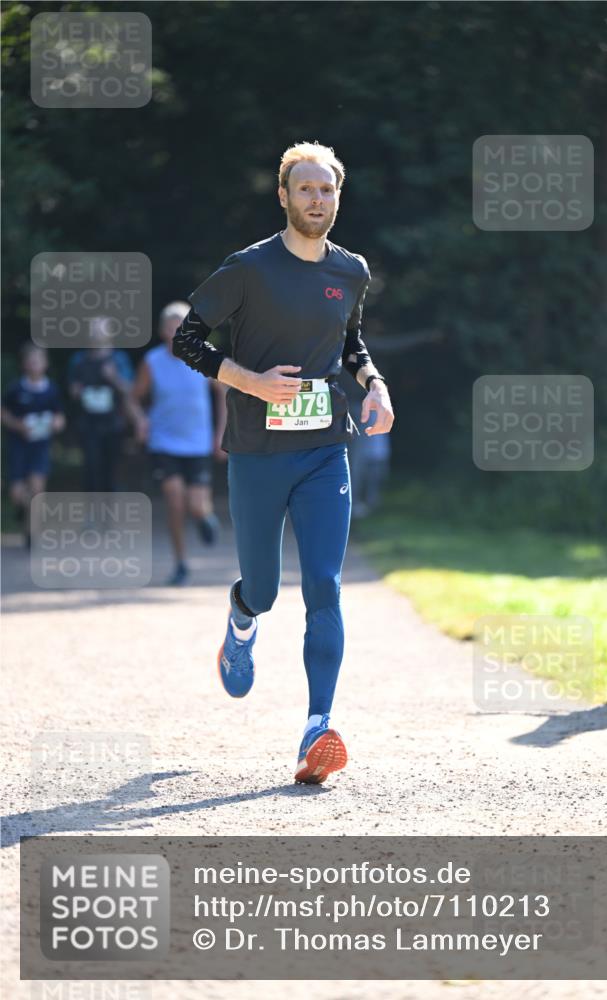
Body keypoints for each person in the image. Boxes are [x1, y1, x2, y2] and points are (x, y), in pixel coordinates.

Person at [172, 141, 394, 784]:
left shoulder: (350, 270)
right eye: (305, 189)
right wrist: (249, 380)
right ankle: (241, 620)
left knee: (325, 585)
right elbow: (189, 339)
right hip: (258, 453)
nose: (317, 200)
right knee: (265, 590)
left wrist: (373, 381)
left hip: (327, 448)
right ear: (284, 196)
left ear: (337, 197)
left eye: (326, 190)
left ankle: (316, 728)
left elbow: (350, 342)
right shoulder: (248, 269)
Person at [129, 301, 227, 586]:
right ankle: (180, 562)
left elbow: (223, 394)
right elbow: (133, 398)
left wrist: (221, 433)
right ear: (162, 332)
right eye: (171, 328)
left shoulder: (203, 359)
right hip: (164, 442)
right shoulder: (152, 362)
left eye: (181, 327)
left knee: (195, 505)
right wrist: (139, 420)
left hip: (197, 444)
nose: (176, 332)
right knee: (174, 501)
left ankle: (204, 516)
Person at [1, 343, 65, 544]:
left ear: (45, 364)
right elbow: (3, 412)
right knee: (17, 493)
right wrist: (17, 425)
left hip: (40, 446)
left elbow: (59, 415)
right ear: (24, 365)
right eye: (31, 361)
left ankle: (32, 532)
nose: (34, 365)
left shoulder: (52, 390)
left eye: (38, 361)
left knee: (37, 488)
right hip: (19, 446)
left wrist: (57, 423)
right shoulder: (16, 389)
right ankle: (22, 512)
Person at [67, 316, 134, 492]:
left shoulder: (119, 359)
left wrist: (114, 378)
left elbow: (130, 390)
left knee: (111, 470)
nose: (96, 332)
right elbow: (72, 390)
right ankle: (92, 513)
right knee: (91, 469)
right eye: (92, 328)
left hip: (114, 425)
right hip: (88, 425)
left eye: (100, 328)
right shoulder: (79, 359)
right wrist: (76, 391)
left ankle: (110, 514)